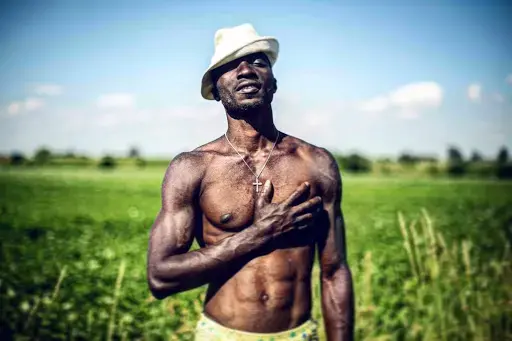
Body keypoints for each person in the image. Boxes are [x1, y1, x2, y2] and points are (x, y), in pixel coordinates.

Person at [147, 23, 354, 341]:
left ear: (273, 83)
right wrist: (260, 235)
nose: (245, 70)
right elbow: (160, 278)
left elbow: (334, 270)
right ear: (215, 90)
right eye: (229, 66)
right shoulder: (192, 168)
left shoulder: (317, 164)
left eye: (258, 61)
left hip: (299, 335)